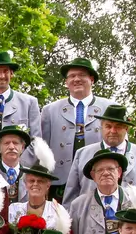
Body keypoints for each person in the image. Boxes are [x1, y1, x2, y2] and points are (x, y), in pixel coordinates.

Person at [40, 56, 116, 200]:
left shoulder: (109, 108)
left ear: (92, 79)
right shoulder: (50, 110)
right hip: (59, 182)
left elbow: (119, 146)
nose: (76, 79)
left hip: (98, 180)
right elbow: (43, 149)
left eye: (82, 75)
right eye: (72, 76)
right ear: (66, 82)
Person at [64, 103, 136, 214]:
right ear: (101, 127)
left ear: (126, 129)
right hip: (89, 221)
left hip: (132, 223)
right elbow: (70, 199)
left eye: (118, 126)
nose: (113, 131)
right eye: (108, 126)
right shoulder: (82, 155)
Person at [2, 158, 70, 234]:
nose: (35, 184)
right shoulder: (14, 209)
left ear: (48, 185)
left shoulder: (57, 209)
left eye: (40, 181)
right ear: (26, 184)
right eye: (31, 181)